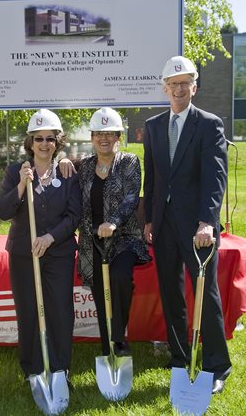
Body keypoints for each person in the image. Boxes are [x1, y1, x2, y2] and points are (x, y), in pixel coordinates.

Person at [143, 56, 231, 394]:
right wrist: (149, 218)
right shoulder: (152, 126)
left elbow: (215, 178)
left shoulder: (209, 124)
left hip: (198, 229)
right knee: (171, 294)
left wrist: (207, 221)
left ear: (194, 87)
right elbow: (153, 177)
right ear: (165, 88)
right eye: (173, 84)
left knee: (205, 295)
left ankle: (217, 366)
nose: (179, 89)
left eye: (185, 83)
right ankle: (180, 357)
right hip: (163, 226)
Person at [0, 109, 81, 384]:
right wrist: (21, 184)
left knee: (60, 309)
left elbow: (74, 216)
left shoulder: (68, 172)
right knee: (28, 310)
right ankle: (32, 368)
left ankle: (59, 367)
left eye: (50, 138)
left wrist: (50, 238)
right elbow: (3, 211)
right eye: (39, 138)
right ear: (30, 142)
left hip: (59, 252)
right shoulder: (14, 171)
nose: (44, 144)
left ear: (58, 142)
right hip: (23, 253)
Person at [75, 107, 150, 357]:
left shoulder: (129, 162)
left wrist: (113, 223)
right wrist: (64, 161)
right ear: (92, 137)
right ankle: (107, 342)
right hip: (92, 241)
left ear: (119, 136)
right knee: (99, 289)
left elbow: (131, 199)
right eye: (98, 133)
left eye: (110, 133)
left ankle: (119, 338)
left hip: (123, 238)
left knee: (118, 277)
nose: (103, 138)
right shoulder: (84, 167)